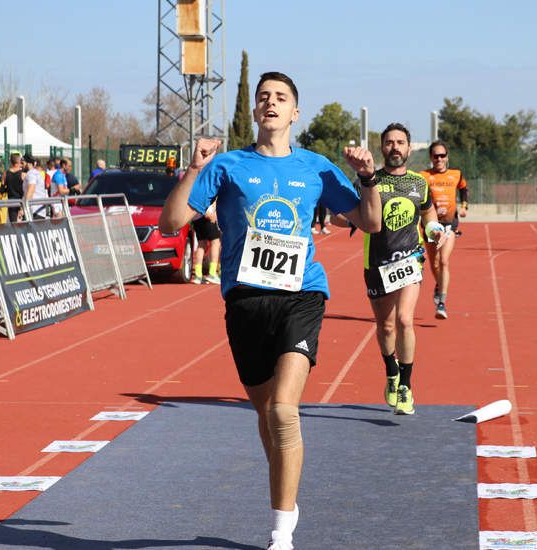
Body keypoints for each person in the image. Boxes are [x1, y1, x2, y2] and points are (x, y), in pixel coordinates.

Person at [158, 71, 381, 550]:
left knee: (284, 410)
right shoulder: (228, 166)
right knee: (267, 418)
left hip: (302, 296)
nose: (271, 103)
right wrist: (194, 168)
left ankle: (281, 533)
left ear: (295, 113)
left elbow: (369, 221)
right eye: (263, 98)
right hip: (244, 302)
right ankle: (287, 490)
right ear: (256, 112)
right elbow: (172, 220)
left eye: (281, 97)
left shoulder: (316, 168)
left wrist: (367, 177)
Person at [350, 122, 444, 417]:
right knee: (386, 325)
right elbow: (354, 213)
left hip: (410, 260)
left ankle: (405, 385)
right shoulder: (369, 180)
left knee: (405, 320)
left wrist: (433, 228)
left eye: (400, 142)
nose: (395, 147)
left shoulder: (419, 182)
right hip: (377, 263)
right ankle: (391, 371)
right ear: (382, 148)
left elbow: (427, 210)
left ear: (408, 147)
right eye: (389, 142)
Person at [420, 140, 467, 318]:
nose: (439, 158)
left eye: (442, 155)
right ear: (431, 158)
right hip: (430, 225)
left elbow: (464, 189)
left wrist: (464, 206)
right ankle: (439, 285)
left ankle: (442, 302)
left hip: (449, 225)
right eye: (435, 156)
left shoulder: (456, 174)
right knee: (435, 262)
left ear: (447, 157)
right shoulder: (424, 176)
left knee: (444, 260)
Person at [191, 203, 222, 284]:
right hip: (207, 213)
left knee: (201, 244)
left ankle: (198, 275)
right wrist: (213, 209)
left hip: (196, 216)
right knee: (215, 242)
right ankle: (212, 273)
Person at [3, 153, 26, 222]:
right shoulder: (23, 174)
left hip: (11, 202)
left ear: (11, 161)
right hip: (22, 201)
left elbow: (2, 189)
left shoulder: (6, 173)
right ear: (20, 161)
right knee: (25, 225)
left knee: (14, 225)